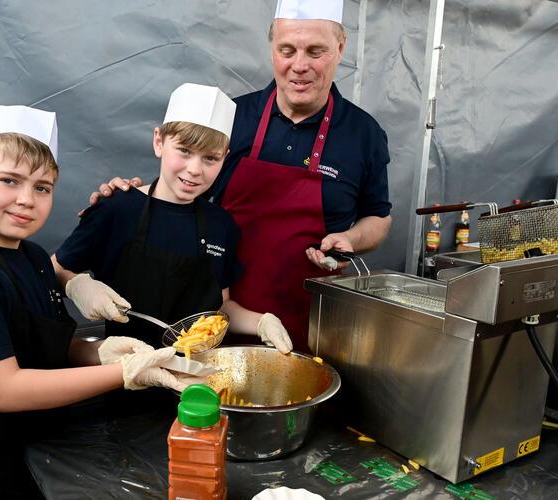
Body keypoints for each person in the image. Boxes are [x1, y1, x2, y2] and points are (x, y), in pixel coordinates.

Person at [0, 105, 189, 500]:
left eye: (42, 187)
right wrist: (125, 372)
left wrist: (101, 352)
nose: (26, 199)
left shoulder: (32, 258)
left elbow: (53, 344)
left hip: (35, 449)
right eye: (9, 181)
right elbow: (4, 390)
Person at [89, 0, 392, 352]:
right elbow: (185, 186)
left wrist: (352, 239)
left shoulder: (364, 134)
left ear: (340, 48)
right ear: (272, 49)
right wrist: (131, 197)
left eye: (315, 51)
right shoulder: (232, 118)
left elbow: (379, 218)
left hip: (316, 321)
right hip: (216, 315)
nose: (299, 65)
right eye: (287, 50)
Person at [52, 84, 293, 354]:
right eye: (185, 151)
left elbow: (221, 307)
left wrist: (261, 322)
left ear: (225, 158)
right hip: (124, 376)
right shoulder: (118, 208)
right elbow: (54, 268)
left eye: (210, 158)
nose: (194, 169)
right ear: (159, 142)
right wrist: (76, 285)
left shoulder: (221, 225)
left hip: (199, 380)